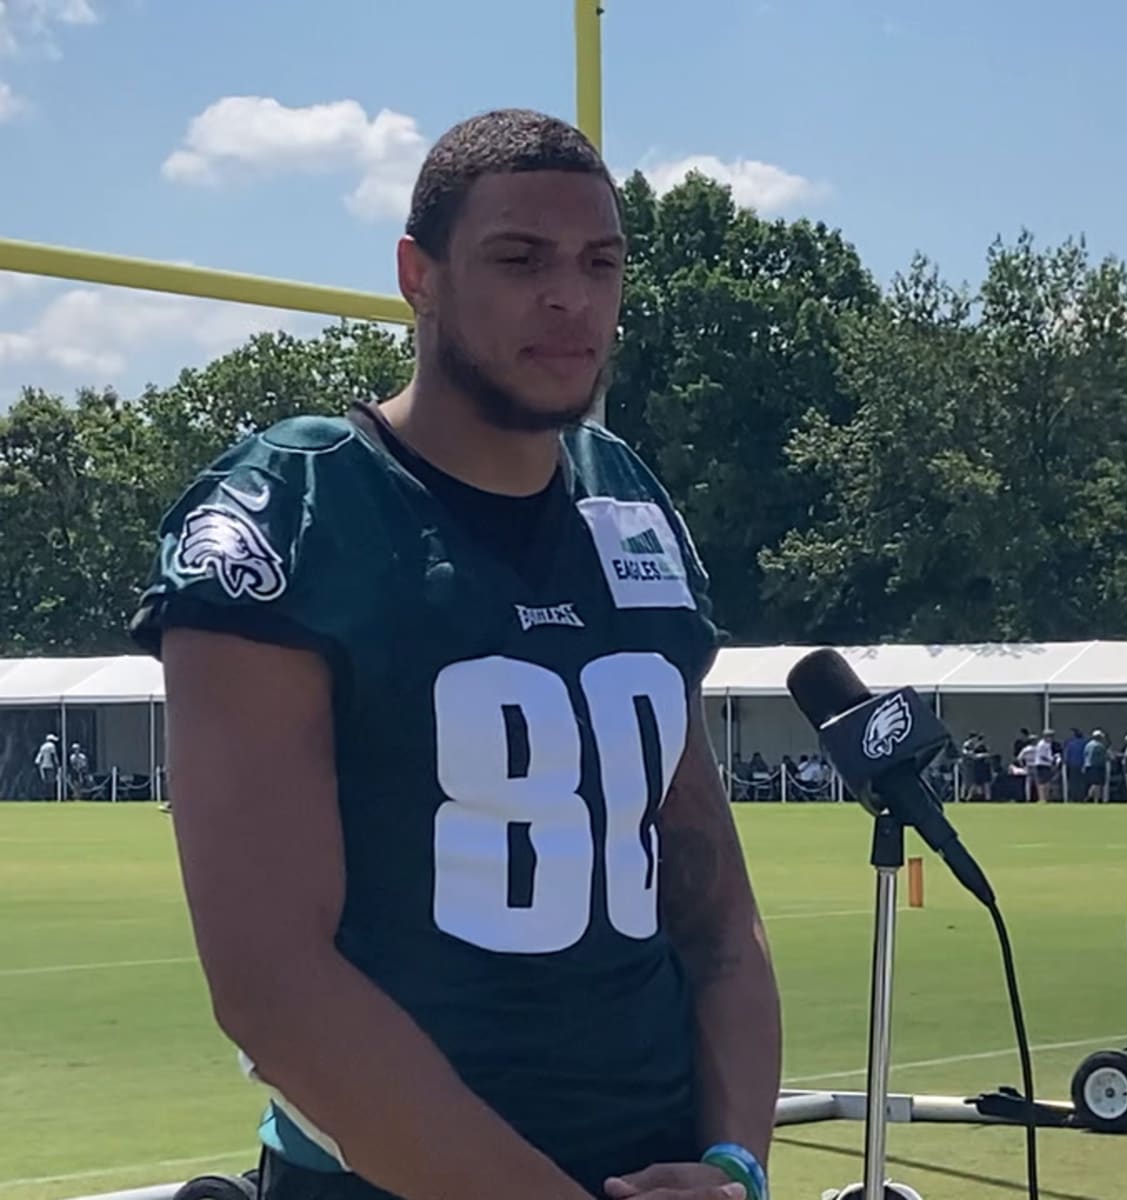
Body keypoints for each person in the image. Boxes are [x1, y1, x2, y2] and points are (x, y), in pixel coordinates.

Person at [129, 109, 781, 1200]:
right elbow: (273, 983)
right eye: (519, 259)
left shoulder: (626, 497)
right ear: (415, 275)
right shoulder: (300, 510)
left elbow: (711, 903)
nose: (571, 296)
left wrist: (733, 1163)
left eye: (601, 262)